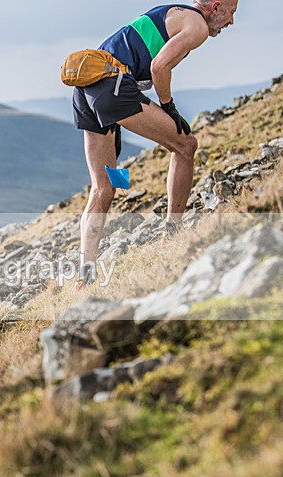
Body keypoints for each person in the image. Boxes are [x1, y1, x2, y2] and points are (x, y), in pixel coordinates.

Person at [73, 1, 238, 288]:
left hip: (88, 84)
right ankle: (174, 230)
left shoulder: (172, 10)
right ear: (216, 7)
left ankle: (84, 273)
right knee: (186, 146)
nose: (231, 22)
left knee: (104, 187)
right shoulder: (197, 25)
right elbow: (158, 65)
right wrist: (169, 107)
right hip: (113, 83)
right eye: (232, 13)